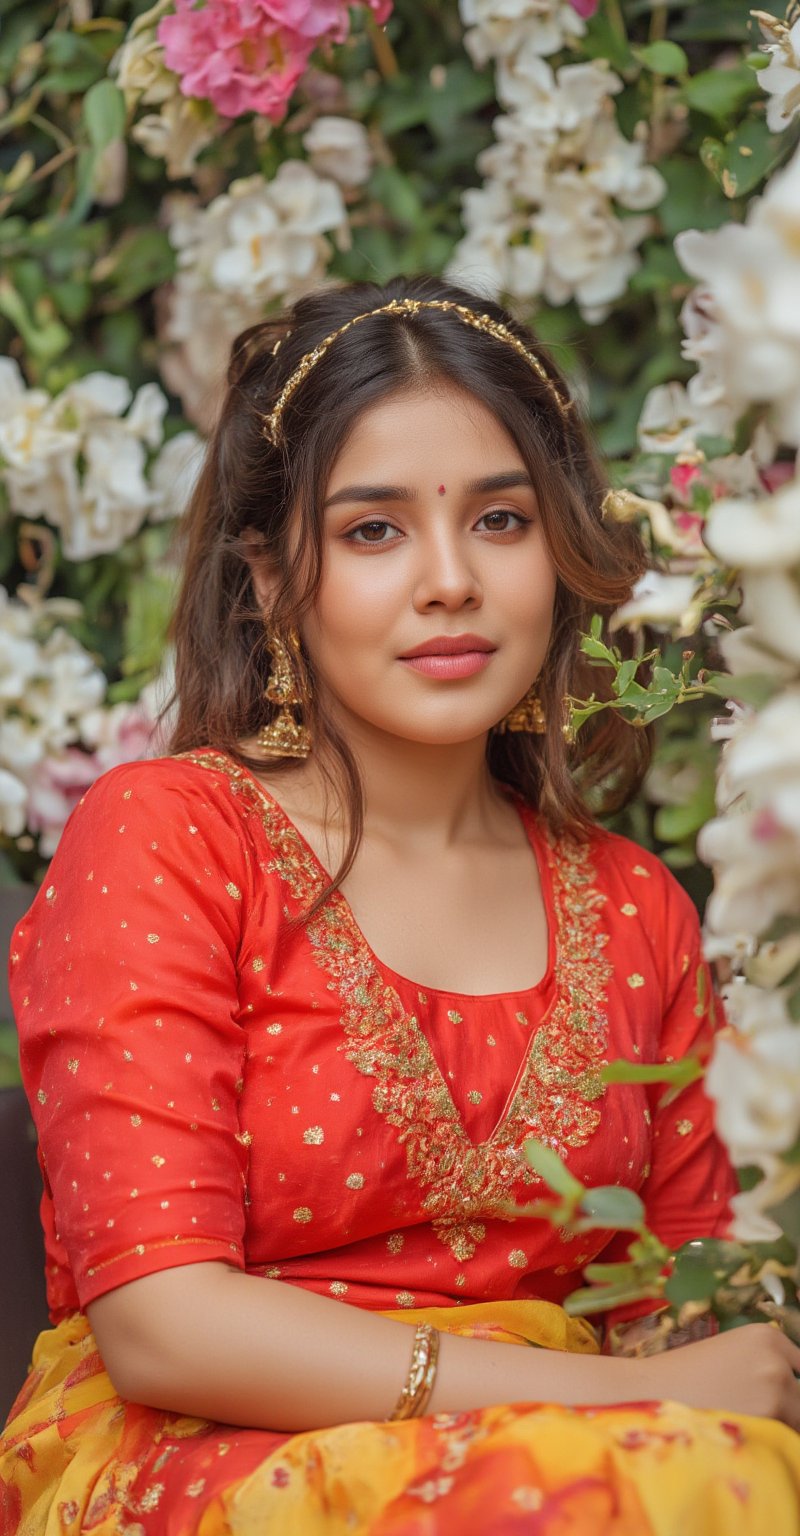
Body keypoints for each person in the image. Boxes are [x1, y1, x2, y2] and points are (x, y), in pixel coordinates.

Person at [2, 276, 800, 1536]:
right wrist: (596, 1406)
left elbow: (682, 1293)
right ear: (267, 580)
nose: (449, 582)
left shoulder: (634, 905)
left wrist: (687, 1375)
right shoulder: (169, 838)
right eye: (373, 530)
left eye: (499, 520)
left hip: (606, 1468)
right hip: (219, 1463)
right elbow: (164, 1324)